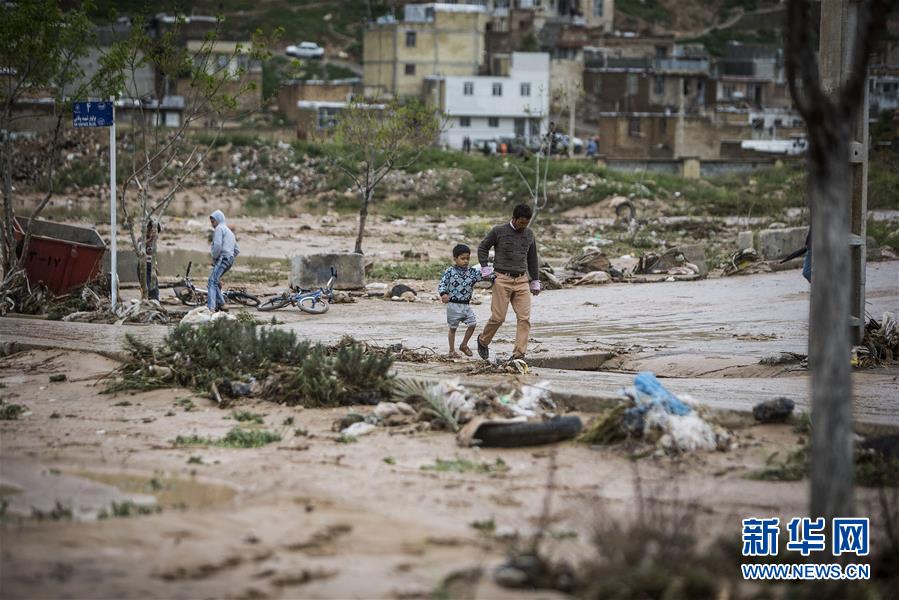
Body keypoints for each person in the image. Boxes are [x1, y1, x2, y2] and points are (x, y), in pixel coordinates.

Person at [476, 203, 540, 361]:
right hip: (502, 279)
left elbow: (532, 259)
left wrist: (535, 280)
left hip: (521, 280)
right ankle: (483, 341)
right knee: (498, 318)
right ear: (514, 218)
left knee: (524, 319)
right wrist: (485, 267)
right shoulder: (498, 231)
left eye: (526, 223)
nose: (523, 226)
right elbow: (483, 247)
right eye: (521, 222)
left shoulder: (529, 235)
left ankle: (519, 354)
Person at [437, 244, 482, 357]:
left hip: (466, 306)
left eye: (468, 258)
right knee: (453, 328)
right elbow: (442, 284)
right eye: (463, 258)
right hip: (453, 305)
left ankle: (463, 345)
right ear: (455, 258)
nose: (466, 261)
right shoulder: (450, 271)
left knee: (472, 324)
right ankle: (451, 351)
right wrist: (443, 294)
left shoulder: (472, 272)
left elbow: (484, 276)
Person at [207, 210, 239, 311]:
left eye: (213, 221)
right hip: (229, 260)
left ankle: (211, 308)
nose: (212, 224)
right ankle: (222, 304)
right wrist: (230, 256)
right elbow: (237, 250)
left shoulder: (219, 229)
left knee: (211, 282)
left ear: (218, 220)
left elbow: (217, 246)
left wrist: (215, 257)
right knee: (215, 281)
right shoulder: (229, 232)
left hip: (222, 258)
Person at [137, 218, 160, 300]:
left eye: (155, 232)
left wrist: (155, 266)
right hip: (143, 266)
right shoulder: (141, 239)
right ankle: (147, 302)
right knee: (147, 287)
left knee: (155, 288)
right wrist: (150, 239)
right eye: (150, 231)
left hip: (152, 266)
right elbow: (140, 247)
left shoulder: (154, 241)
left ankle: (155, 302)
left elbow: (153, 255)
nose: (152, 233)